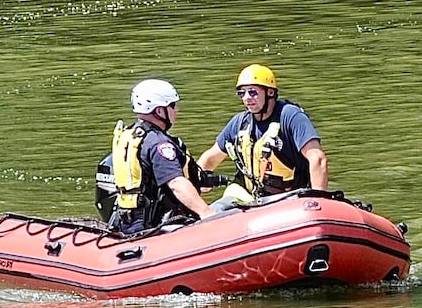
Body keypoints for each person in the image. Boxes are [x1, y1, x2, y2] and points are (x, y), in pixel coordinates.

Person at [198, 64, 328, 202]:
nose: (247, 98)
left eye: (253, 92)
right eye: (242, 93)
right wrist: (197, 182)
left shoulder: (291, 117)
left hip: (290, 200)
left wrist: (318, 203)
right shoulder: (239, 124)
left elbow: (318, 159)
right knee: (220, 206)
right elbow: (209, 160)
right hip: (251, 200)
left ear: (270, 92)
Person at [106, 79, 219, 233]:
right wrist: (207, 213)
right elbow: (176, 183)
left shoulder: (130, 135)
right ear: (159, 111)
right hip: (155, 225)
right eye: (172, 105)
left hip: (128, 220)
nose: (176, 110)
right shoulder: (158, 144)